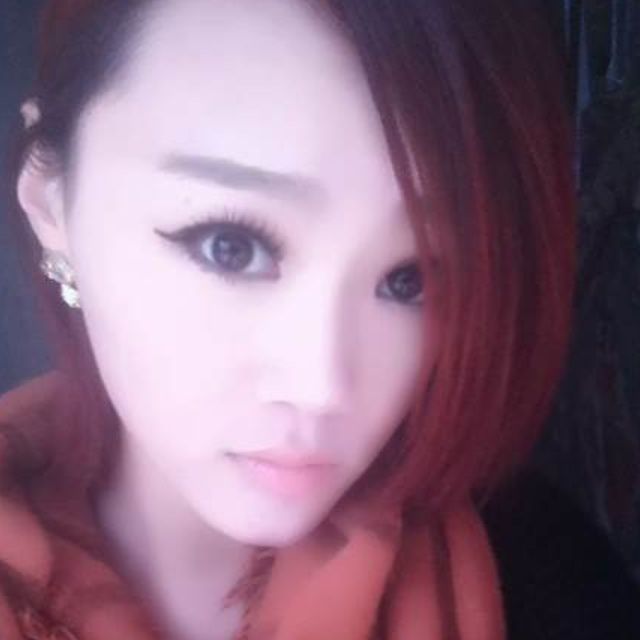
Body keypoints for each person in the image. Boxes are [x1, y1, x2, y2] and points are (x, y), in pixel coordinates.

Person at [1, 0, 632, 639]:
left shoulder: (555, 581)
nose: (321, 387)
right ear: (50, 202)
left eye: (411, 277)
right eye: (230, 247)